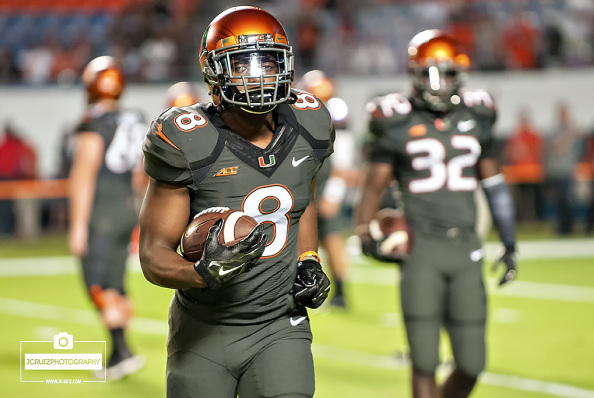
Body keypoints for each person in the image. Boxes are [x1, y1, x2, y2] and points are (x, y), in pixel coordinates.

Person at [138, 6, 333, 397]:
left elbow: (301, 203)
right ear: (215, 71)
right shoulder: (188, 138)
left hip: (280, 324)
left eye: (269, 61)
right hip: (206, 329)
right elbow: (152, 254)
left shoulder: (309, 123)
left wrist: (308, 259)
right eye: (243, 65)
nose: (260, 75)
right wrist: (202, 273)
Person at [355, 29, 517, 398]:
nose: (437, 83)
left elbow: (494, 185)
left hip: (465, 247)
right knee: (425, 361)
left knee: (472, 363)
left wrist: (509, 242)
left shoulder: (479, 113)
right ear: (413, 73)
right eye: (429, 72)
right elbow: (372, 188)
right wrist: (365, 233)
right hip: (420, 247)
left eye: (445, 73)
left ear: (459, 75)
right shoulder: (393, 118)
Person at [68, 55, 147, 380]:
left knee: (97, 283)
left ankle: (121, 350)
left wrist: (76, 226)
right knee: (116, 282)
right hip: (126, 206)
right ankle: (119, 354)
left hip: (101, 209)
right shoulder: (135, 119)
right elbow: (142, 174)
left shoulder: (93, 123)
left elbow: (83, 176)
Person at [297, 70, 357, 310]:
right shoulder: (297, 114)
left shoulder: (335, 114)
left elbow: (342, 162)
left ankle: (340, 292)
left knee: (332, 238)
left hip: (323, 181)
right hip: (304, 179)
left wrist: (333, 193)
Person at [544, 101, 581, 236]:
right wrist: (569, 134)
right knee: (561, 200)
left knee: (568, 200)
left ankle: (568, 227)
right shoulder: (554, 130)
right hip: (557, 170)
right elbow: (556, 148)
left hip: (568, 170)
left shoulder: (571, 130)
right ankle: (563, 227)